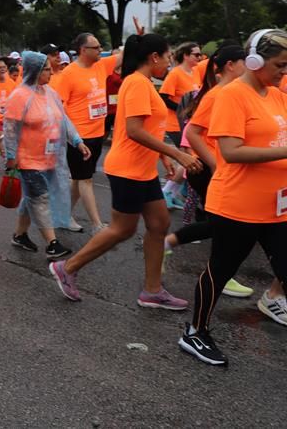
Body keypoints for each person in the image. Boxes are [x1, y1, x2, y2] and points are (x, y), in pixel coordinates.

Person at [49, 33, 202, 308]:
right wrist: (176, 153)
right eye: (167, 57)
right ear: (153, 57)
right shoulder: (136, 83)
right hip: (127, 169)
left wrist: (162, 156)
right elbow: (134, 130)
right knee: (122, 229)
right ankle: (67, 267)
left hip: (143, 169)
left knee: (159, 224)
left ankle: (152, 290)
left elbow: (149, 127)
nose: (169, 63)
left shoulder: (143, 82)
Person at [177, 30, 287, 365]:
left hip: (276, 204)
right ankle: (195, 332)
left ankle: (272, 301)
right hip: (237, 204)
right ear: (255, 61)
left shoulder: (276, 95)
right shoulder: (231, 95)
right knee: (221, 270)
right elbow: (231, 151)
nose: (284, 71)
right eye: (280, 65)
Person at [163, 44, 254, 298]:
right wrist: (215, 164)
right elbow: (191, 132)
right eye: (245, 61)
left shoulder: (234, 92)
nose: (249, 66)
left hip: (220, 169)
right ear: (230, 65)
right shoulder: (217, 95)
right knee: (224, 224)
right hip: (206, 169)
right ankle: (220, 275)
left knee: (221, 224)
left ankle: (170, 244)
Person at [4, 51, 85, 260]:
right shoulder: (19, 96)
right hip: (28, 160)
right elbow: (10, 129)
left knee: (31, 197)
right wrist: (11, 156)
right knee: (40, 198)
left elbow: (63, 119)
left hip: (49, 158)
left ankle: (20, 235)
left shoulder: (50, 93)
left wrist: (77, 141)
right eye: (47, 69)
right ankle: (52, 243)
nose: (52, 72)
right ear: (35, 71)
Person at [52, 33, 123, 233]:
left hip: (97, 133)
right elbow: (58, 106)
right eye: (96, 47)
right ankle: (96, 225)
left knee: (78, 178)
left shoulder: (102, 65)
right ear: (83, 50)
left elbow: (124, 55)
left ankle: (63, 215)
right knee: (86, 179)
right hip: (78, 137)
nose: (101, 50)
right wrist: (67, 135)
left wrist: (139, 38)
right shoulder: (69, 73)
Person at [159, 42, 202, 143]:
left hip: (189, 123)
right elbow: (163, 98)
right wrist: (182, 109)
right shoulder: (175, 74)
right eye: (196, 55)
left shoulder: (195, 71)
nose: (199, 58)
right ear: (185, 56)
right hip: (175, 125)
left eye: (200, 55)